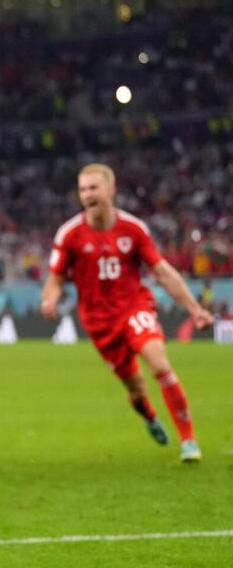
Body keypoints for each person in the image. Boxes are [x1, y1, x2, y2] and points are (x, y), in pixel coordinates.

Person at [40, 163, 213, 462]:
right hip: (99, 323)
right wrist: (49, 300)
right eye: (82, 189)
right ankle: (149, 415)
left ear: (111, 189)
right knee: (137, 390)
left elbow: (162, 272)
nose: (87, 195)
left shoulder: (133, 229)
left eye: (93, 188)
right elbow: (55, 278)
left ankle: (188, 440)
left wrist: (195, 310)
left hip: (133, 308)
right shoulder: (69, 234)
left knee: (159, 363)